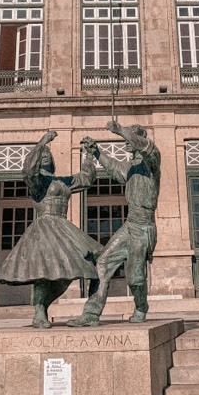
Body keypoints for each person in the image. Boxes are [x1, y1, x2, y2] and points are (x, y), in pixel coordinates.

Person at [0, 130, 101, 328]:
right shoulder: (37, 182)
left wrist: (89, 154)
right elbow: (28, 171)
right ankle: (39, 313)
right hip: (44, 227)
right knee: (43, 272)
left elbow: (86, 179)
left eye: (47, 154)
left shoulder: (60, 181)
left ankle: (81, 311)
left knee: (89, 263)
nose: (44, 155)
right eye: (41, 154)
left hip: (63, 226)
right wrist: (42, 142)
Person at [68, 120, 160, 327]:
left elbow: (147, 148)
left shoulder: (151, 163)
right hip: (130, 224)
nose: (126, 142)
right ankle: (91, 314)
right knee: (102, 264)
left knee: (135, 278)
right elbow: (113, 167)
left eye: (131, 138)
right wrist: (97, 152)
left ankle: (141, 306)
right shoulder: (131, 168)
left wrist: (121, 130)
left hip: (144, 227)